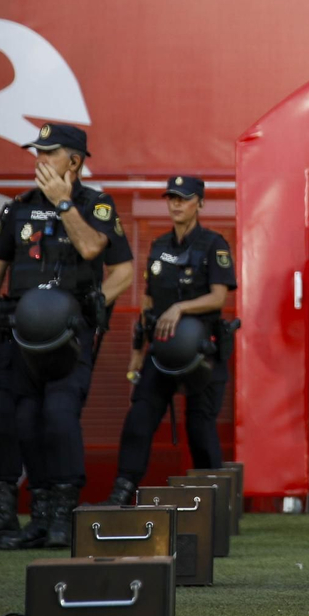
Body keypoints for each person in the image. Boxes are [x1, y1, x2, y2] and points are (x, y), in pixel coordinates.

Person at [0, 123, 133, 549]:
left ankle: (65, 516)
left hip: (67, 337)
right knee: (21, 418)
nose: (39, 160)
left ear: (75, 161)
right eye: (37, 153)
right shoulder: (17, 210)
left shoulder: (96, 206)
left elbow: (93, 251)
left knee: (59, 416)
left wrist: (63, 203)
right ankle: (39, 515)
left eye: (49, 153)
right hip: (19, 333)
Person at [106, 175, 236, 504]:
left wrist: (180, 307)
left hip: (202, 351)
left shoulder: (214, 244)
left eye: (184, 198)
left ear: (200, 203)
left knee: (200, 428)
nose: (176, 204)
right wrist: (137, 352)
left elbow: (219, 297)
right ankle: (121, 493)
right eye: (172, 198)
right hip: (160, 350)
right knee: (140, 417)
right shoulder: (159, 246)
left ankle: (215, 503)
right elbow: (148, 301)